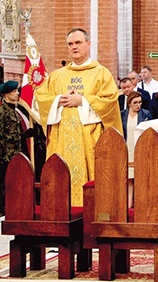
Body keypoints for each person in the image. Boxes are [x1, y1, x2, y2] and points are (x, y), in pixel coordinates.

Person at [36, 28, 122, 205]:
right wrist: (59, 99)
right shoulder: (57, 76)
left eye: (78, 43)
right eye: (70, 44)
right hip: (62, 141)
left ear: (88, 44)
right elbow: (41, 98)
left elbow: (110, 101)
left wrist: (82, 100)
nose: (74, 47)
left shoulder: (101, 73)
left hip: (89, 140)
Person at [0, 81, 27, 215]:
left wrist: (25, 135)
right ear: (5, 94)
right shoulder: (2, 112)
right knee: (6, 185)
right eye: (14, 91)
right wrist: (2, 158)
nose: (17, 93)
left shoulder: (14, 111)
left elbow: (14, 133)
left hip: (16, 154)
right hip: (6, 155)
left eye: (17, 91)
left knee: (15, 184)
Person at [120, 91, 152, 160]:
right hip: (126, 146)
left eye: (140, 102)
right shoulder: (122, 115)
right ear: (129, 103)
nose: (138, 105)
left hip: (140, 147)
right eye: (135, 102)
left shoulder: (146, 114)